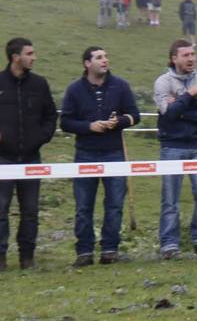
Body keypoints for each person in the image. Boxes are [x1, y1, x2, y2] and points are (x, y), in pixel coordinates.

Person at [0, 38, 58, 272]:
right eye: (30, 53)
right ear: (16, 57)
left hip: (31, 157)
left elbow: (50, 116)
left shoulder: (39, 84)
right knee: (0, 208)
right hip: (2, 158)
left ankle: (27, 257)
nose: (34, 57)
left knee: (30, 210)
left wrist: (42, 136)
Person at [60, 47, 140, 265]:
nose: (105, 60)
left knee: (115, 203)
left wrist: (119, 122)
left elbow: (135, 116)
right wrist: (89, 126)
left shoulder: (120, 86)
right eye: (99, 57)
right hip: (85, 153)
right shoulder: (74, 89)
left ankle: (110, 250)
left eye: (106, 56)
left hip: (114, 152)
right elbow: (65, 122)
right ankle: (84, 252)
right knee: (83, 205)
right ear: (87, 63)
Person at [154, 40, 197, 258]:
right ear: (174, 58)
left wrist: (181, 108)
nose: (191, 58)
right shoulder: (163, 82)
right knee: (170, 197)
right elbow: (168, 114)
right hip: (171, 145)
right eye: (185, 55)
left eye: (193, 54)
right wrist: (190, 96)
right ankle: (169, 244)